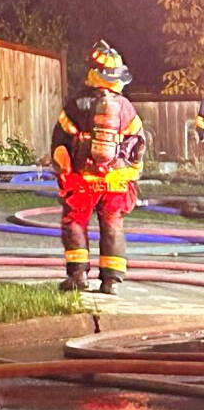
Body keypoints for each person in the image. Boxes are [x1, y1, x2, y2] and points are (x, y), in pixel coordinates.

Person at [51, 40, 146, 294]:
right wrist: (132, 171)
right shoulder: (126, 107)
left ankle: (78, 276)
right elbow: (139, 143)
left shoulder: (76, 103)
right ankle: (111, 281)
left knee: (75, 222)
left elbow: (60, 140)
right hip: (116, 181)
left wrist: (64, 170)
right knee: (113, 225)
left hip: (83, 180)